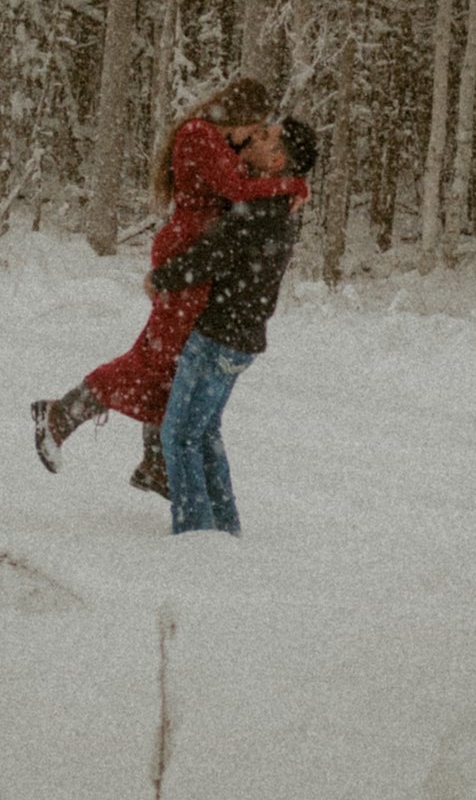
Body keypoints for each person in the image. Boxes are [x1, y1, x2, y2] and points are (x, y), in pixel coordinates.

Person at [30, 78, 304, 493]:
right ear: (242, 115)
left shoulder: (217, 141)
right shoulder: (199, 134)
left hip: (198, 253)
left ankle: (156, 463)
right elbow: (236, 190)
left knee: (173, 360)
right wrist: (292, 184)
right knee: (155, 358)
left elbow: (240, 189)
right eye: (256, 127)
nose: (254, 137)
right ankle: (62, 414)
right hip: (187, 252)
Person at [154, 114, 318, 536]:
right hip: (241, 339)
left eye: (265, 137)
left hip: (217, 336)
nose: (254, 137)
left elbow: (211, 255)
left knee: (178, 436)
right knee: (204, 432)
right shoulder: (279, 202)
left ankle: (196, 537)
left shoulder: (260, 208)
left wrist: (163, 277)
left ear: (276, 160)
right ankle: (225, 533)